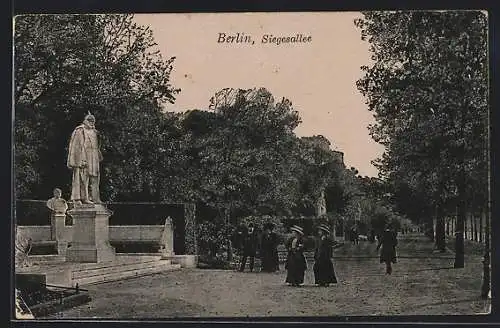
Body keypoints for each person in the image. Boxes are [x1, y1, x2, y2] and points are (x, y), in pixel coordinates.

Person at [67, 112, 103, 205]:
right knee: (83, 178)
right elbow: (76, 146)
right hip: (84, 157)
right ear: (85, 120)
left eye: (93, 120)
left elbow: (97, 146)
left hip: (94, 157)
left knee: (95, 177)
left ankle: (95, 198)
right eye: (89, 120)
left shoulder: (95, 132)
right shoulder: (80, 130)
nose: (92, 122)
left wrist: (98, 154)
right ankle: (83, 198)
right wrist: (80, 159)